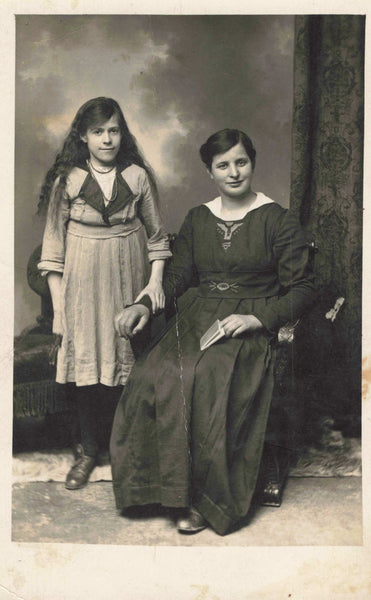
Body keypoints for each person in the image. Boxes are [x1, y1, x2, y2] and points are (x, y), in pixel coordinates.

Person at [110, 129, 316, 536]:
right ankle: (158, 488)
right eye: (223, 165)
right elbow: (178, 279)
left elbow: (305, 288)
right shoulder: (198, 218)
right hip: (197, 315)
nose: (234, 172)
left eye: (241, 162)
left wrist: (258, 320)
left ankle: (205, 499)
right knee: (158, 373)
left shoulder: (278, 219)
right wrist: (143, 304)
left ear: (252, 163)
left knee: (208, 380)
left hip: (251, 321)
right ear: (210, 171)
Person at [37, 97, 171, 490]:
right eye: (98, 132)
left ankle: (127, 451)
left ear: (122, 133)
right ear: (83, 136)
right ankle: (88, 452)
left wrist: (154, 284)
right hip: (82, 287)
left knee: (125, 366)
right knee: (88, 371)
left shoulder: (138, 178)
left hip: (128, 281)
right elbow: (52, 251)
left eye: (113, 130)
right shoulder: (69, 181)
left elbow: (159, 239)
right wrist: (60, 310)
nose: (107, 139)